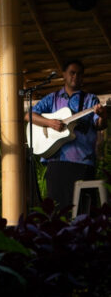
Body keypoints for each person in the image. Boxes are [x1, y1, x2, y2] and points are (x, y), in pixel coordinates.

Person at [26, 59, 107, 210]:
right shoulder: (52, 98)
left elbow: (100, 125)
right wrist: (50, 123)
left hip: (82, 162)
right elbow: (29, 115)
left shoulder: (90, 100)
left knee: (82, 209)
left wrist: (102, 115)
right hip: (56, 162)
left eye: (79, 74)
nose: (76, 76)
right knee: (57, 210)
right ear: (64, 74)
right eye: (72, 73)